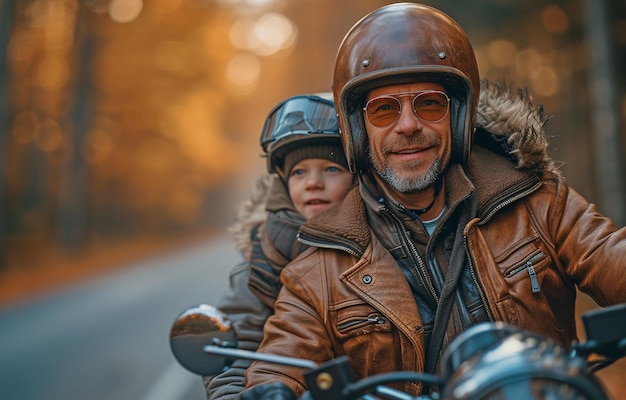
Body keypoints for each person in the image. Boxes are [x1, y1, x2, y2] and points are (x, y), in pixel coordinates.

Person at [243, 2, 626, 398]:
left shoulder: (539, 203)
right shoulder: (319, 268)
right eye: (383, 109)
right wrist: (273, 390)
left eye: (429, 103)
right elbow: (280, 359)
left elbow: (610, 256)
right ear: (356, 131)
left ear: (458, 117)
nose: (408, 125)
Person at [203, 93, 354, 399]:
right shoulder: (263, 261)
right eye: (299, 172)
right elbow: (231, 356)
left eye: (331, 168)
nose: (313, 182)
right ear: (283, 184)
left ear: (357, 179)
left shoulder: (382, 243)